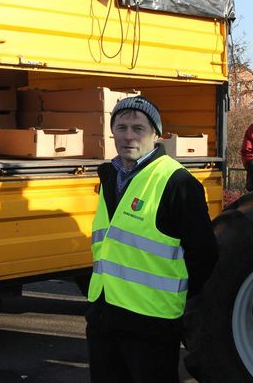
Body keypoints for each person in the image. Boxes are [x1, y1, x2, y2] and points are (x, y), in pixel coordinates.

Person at [86, 96, 218, 383]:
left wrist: (171, 294)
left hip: (150, 324)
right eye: (121, 127)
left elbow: (205, 254)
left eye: (138, 128)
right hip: (104, 317)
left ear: (157, 134)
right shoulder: (110, 176)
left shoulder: (178, 183)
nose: (128, 136)